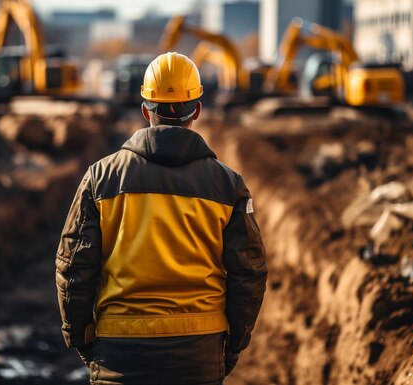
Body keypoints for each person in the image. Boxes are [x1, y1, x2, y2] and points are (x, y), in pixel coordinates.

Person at [56, 52, 267, 385]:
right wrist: (231, 346)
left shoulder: (101, 178)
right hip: (199, 351)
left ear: (145, 110)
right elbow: (249, 272)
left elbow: (74, 266)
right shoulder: (228, 186)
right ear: (196, 109)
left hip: (118, 352)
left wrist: (81, 338)